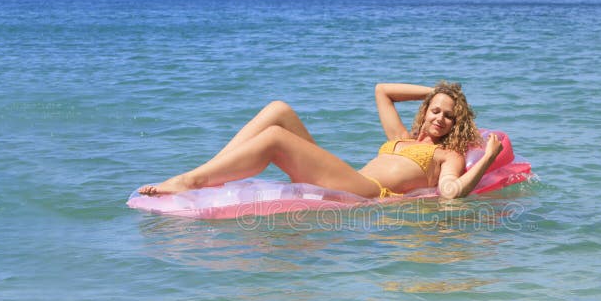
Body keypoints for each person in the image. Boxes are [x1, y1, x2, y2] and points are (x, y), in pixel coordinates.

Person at [137, 81, 503, 200]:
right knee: (278, 109)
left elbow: (452, 193)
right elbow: (382, 91)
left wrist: (486, 158)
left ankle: (191, 182)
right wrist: (439, 91)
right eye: (435, 110)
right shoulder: (401, 138)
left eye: (449, 115)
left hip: (365, 190)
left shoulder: (446, 154)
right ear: (425, 110)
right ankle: (203, 172)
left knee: (277, 138)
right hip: (347, 175)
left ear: (457, 123)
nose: (440, 118)